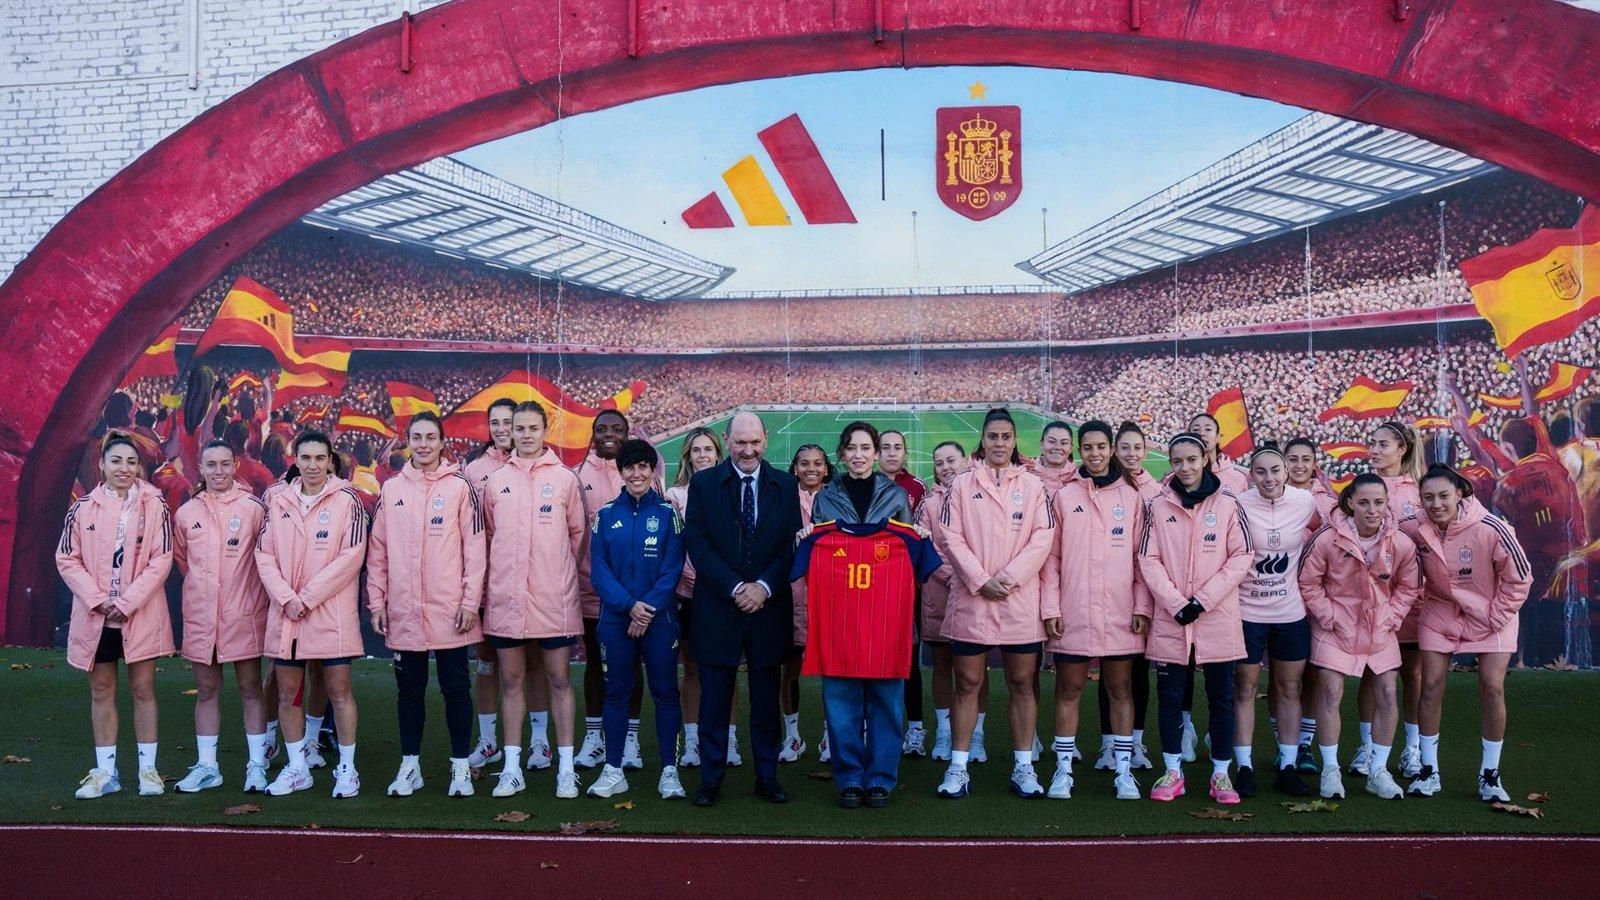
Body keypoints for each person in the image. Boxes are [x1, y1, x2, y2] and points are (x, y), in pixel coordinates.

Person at [681, 411, 802, 807]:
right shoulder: (703, 484)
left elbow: (790, 546)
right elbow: (697, 545)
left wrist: (764, 587)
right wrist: (736, 587)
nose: (748, 450)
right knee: (715, 698)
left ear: (766, 439)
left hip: (769, 609)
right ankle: (710, 778)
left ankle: (767, 776)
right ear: (726, 440)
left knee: (766, 700)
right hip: (718, 606)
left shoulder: (785, 485)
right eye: (740, 443)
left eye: (755, 442)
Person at [935, 408, 1055, 800]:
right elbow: (951, 537)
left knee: (1022, 682)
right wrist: (981, 580)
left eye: (1006, 437)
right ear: (982, 441)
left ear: (1015, 440)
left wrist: (1010, 578)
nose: (1000, 444)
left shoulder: (1034, 486)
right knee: (968, 682)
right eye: (993, 437)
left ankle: (1024, 767)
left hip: (1018, 600)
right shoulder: (961, 484)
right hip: (975, 599)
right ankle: (958, 767)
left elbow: (1043, 537)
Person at [367, 412, 486, 799]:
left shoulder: (460, 487)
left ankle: (460, 768)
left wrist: (470, 601)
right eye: (416, 437)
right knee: (409, 691)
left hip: (450, 609)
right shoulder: (392, 489)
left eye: (430, 437)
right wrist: (377, 601)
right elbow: (378, 550)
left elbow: (475, 550)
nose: (422, 444)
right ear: (408, 440)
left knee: (456, 688)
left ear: (441, 441)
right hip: (404, 608)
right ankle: (410, 766)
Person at [794, 492, 940, 808]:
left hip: (886, 639)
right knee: (841, 710)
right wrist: (803, 536)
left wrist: (922, 534)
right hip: (838, 639)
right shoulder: (817, 538)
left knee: (886, 708)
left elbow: (930, 566)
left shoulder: (907, 539)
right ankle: (848, 778)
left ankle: (880, 778)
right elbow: (794, 566)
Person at [1401, 465, 1532, 801]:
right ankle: (1429, 771)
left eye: (1444, 495)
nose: (1436, 503)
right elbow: (1383, 535)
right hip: (1440, 614)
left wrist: (1495, 615)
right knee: (1429, 686)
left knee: (1491, 687)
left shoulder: (1492, 527)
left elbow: (1520, 578)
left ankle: (1490, 775)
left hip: (1491, 615)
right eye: (1428, 497)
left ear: (1459, 494)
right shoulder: (1415, 528)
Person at [58, 432, 175, 799]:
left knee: (143, 689)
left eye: (130, 462)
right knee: (102, 689)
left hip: (138, 613)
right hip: (97, 616)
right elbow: (66, 558)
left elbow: (162, 559)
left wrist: (126, 602)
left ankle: (148, 771)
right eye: (116, 461)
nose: (123, 468)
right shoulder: (83, 507)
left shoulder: (156, 503)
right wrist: (98, 599)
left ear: (138, 466)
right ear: (102, 465)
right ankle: (106, 772)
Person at [1138, 433, 1252, 805]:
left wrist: (1201, 601)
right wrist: (1175, 602)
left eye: (1191, 460)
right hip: (1172, 619)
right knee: (1170, 697)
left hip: (1217, 618)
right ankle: (1173, 771)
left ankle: (1221, 774)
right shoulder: (1157, 505)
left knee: (1222, 698)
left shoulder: (1230, 504)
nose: (1184, 468)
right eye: (1176, 461)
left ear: (1205, 458)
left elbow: (1241, 557)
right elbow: (1147, 559)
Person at [481, 401, 587, 799]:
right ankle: (511, 768)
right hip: (507, 600)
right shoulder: (496, 481)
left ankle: (565, 768)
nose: (525, 434)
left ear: (546, 430)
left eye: (532, 428)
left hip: (552, 600)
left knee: (559, 679)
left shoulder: (564, 480)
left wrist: (555, 575)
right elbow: (490, 538)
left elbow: (579, 538)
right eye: (519, 428)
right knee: (511, 680)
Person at [255, 430, 369, 798]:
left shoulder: (347, 500)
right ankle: (297, 767)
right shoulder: (278, 499)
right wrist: (287, 597)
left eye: (320, 458)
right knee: (288, 694)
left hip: (329, 614)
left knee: (339, 690)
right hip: (288, 613)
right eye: (306, 458)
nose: (313, 465)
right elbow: (264, 555)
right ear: (296, 459)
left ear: (329, 459)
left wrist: (307, 597)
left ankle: (348, 769)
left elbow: (350, 558)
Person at [1040, 420, 1147, 800]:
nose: (1096, 454)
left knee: (1119, 688)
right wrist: (1051, 606)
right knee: (1068, 688)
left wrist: (1142, 605)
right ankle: (1063, 771)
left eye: (1102, 446)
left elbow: (1141, 559)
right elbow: (1051, 559)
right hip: (1074, 610)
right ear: (1078, 451)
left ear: (1112, 448)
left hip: (1120, 611)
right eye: (1088, 447)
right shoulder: (1064, 496)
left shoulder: (1132, 498)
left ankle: (1123, 771)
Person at [1299, 474, 1422, 801]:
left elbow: (1409, 587)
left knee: (1387, 693)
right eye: (1364, 502)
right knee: (1331, 691)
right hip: (1336, 627)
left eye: (1379, 503)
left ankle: (1378, 771)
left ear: (1387, 503)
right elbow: (1308, 583)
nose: (1372, 510)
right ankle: (1330, 770)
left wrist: (1392, 617)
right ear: (1350, 502)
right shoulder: (1327, 538)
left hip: (1379, 627)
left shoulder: (1401, 542)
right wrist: (1329, 617)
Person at [586, 439, 689, 800]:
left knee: (664, 693)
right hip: (617, 620)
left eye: (643, 466)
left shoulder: (668, 515)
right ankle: (613, 769)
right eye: (630, 467)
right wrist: (630, 606)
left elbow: (672, 568)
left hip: (659, 621)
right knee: (615, 694)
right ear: (621, 471)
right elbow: (599, 572)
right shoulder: (604, 516)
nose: (636, 473)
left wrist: (646, 610)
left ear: (652, 470)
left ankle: (669, 771)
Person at [171, 439, 271, 794]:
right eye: (211, 465)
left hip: (243, 614)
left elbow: (264, 559)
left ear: (235, 467)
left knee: (250, 689)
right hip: (201, 617)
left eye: (225, 464)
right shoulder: (187, 513)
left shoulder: (253, 509)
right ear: (200, 468)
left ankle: (257, 764)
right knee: (207, 689)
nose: (218, 471)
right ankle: (208, 766)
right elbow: (184, 563)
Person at [1232, 445, 1319, 798]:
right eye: (1261, 471)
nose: (1269, 478)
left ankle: (1287, 764)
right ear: (1251, 475)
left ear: (1287, 472)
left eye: (1275, 470)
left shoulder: (1305, 502)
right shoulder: (1237, 504)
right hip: (1246, 612)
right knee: (1245, 689)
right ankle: (1244, 766)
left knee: (1288, 689)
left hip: (1289, 613)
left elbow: (1330, 530)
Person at [463, 397, 538, 770]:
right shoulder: (475, 471)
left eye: (508, 421)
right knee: (489, 664)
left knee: (535, 664)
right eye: (495, 422)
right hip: (490, 585)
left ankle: (539, 743)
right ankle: (489, 740)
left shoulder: (541, 467)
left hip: (533, 585)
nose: (502, 429)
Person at [574, 410, 647, 771]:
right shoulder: (576, 476)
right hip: (591, 591)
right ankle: (594, 737)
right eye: (602, 429)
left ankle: (631, 738)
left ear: (626, 433)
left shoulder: (640, 475)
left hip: (634, 597)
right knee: (594, 664)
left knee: (632, 666)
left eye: (617, 429)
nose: (609, 435)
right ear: (593, 433)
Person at [1355, 420, 1425, 781]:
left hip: (1413, 597)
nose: (1375, 449)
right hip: (1372, 600)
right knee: (1371, 673)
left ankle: (1412, 748)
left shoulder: (1419, 491)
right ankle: (1367, 746)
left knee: (1413, 673)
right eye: (1373, 442)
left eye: (1383, 444)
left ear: (1403, 449)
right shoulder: (1363, 487)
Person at [664, 427, 735, 768]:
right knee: (691, 668)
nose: (703, 455)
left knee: (726, 670)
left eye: (709, 449)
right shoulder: (675, 495)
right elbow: (675, 547)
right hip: (688, 594)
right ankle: (692, 743)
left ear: (719, 455)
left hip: (725, 593)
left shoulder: (733, 491)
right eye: (697, 450)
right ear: (688, 457)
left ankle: (729, 741)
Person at [1095, 421, 1158, 773]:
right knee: (1110, 672)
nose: (1131, 454)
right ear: (1115, 451)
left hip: (1144, 592)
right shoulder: (1106, 484)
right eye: (1125, 447)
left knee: (1137, 673)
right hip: (1109, 594)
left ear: (1146, 451)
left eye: (1137, 448)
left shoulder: (1157, 488)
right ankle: (1108, 744)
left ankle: (1135, 741)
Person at [919, 440, 983, 763]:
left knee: (974, 670)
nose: (945, 467)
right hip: (940, 597)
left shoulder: (981, 498)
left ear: (965, 462)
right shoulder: (929, 504)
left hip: (976, 596)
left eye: (951, 460)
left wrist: (976, 577)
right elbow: (926, 549)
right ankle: (944, 731)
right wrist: (962, 576)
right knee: (942, 665)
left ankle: (978, 734)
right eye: (939, 462)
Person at [877, 428, 929, 758]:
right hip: (869, 585)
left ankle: (916, 730)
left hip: (905, 586)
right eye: (886, 447)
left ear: (905, 453)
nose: (892, 453)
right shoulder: (861, 485)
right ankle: (878, 727)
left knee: (908, 660)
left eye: (898, 448)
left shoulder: (915, 488)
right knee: (875, 660)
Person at [784, 443, 833, 763]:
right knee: (788, 669)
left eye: (817, 463)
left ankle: (832, 734)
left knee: (833, 669)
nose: (811, 468)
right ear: (795, 468)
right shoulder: (783, 499)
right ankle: (792, 736)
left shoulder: (837, 498)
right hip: (790, 594)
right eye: (804, 463)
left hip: (830, 593)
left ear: (826, 468)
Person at [1190, 413, 1250, 494]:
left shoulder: (1238, 478)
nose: (1201, 433)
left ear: (1218, 437)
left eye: (1208, 429)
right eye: (1196, 430)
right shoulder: (1179, 476)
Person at [1032, 420, 1077, 497]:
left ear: (1070, 448)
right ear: (1042, 444)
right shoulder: (1026, 474)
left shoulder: (1080, 477)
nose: (1058, 447)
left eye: (1064, 443)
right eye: (1052, 441)